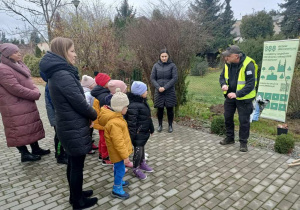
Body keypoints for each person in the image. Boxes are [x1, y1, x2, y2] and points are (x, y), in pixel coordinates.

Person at [39, 37, 98, 209]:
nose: (75, 54)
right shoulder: (62, 74)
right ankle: (78, 202)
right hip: (72, 126)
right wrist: (94, 114)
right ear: (62, 52)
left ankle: (76, 194)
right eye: (72, 51)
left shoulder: (59, 72)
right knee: (76, 166)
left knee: (73, 163)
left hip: (70, 124)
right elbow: (79, 102)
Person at [0, 43, 50, 163]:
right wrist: (34, 93)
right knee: (18, 130)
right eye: (16, 52)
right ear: (8, 55)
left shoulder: (18, 64)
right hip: (13, 106)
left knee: (29, 126)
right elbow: (15, 88)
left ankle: (35, 149)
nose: (19, 53)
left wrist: (35, 89)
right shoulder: (3, 69)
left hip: (25, 103)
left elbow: (28, 81)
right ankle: (24, 154)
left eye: (19, 51)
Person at [219, 45, 258, 152]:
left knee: (243, 121)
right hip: (230, 97)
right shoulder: (228, 64)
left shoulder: (248, 65)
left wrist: (237, 94)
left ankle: (243, 143)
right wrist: (223, 84)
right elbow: (222, 77)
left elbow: (251, 84)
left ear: (236, 56)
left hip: (244, 98)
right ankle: (230, 138)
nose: (226, 58)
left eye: (228, 56)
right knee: (227, 117)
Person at [98, 88, 132, 200]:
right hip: (118, 153)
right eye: (126, 107)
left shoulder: (117, 118)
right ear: (120, 108)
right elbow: (118, 142)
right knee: (120, 169)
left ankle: (119, 182)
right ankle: (116, 189)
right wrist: (125, 156)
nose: (127, 109)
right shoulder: (115, 123)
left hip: (118, 153)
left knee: (118, 169)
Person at [126, 81, 154, 180]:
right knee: (138, 149)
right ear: (139, 92)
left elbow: (148, 117)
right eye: (145, 90)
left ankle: (142, 163)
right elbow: (131, 123)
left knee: (142, 147)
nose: (147, 92)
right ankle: (136, 168)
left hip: (144, 132)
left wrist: (151, 128)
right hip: (137, 133)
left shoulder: (143, 102)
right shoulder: (133, 105)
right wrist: (131, 136)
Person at [40, 71, 67, 164]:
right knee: (59, 136)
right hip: (57, 115)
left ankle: (61, 153)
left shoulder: (51, 84)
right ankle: (60, 156)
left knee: (60, 135)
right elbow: (55, 103)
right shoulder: (50, 86)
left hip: (57, 115)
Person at [150, 49, 178, 133]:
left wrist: (165, 87)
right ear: (160, 57)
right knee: (160, 109)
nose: (164, 58)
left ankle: (170, 125)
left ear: (168, 56)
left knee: (170, 109)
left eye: (165, 56)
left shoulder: (172, 66)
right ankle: (160, 125)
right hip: (159, 91)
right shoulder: (156, 66)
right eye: (162, 56)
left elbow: (174, 78)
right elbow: (152, 78)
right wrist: (158, 87)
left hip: (169, 91)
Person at [91, 73, 112, 165]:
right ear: (103, 83)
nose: (110, 82)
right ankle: (105, 158)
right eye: (108, 81)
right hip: (103, 122)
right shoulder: (103, 96)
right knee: (105, 140)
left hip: (100, 122)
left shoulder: (100, 92)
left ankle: (101, 154)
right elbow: (105, 111)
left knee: (102, 139)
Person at [81, 75, 98, 154]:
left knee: (90, 131)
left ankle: (90, 144)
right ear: (90, 85)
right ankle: (88, 147)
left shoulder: (87, 92)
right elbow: (86, 106)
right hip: (88, 116)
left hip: (89, 115)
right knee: (88, 132)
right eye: (93, 83)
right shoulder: (87, 94)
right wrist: (90, 115)